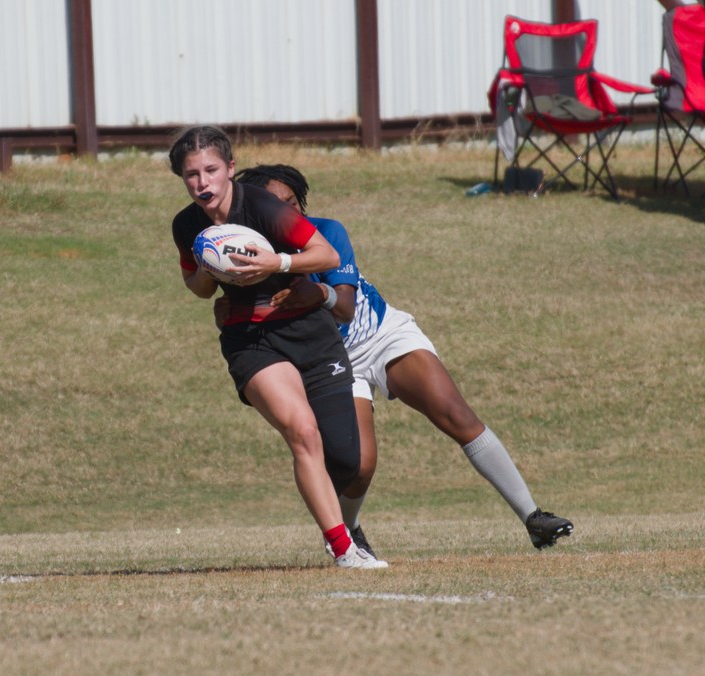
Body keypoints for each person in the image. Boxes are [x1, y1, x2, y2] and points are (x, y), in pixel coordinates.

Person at [230, 164, 574, 558]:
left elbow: (343, 307)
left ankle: (533, 518)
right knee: (359, 465)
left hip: (381, 332)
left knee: (456, 414)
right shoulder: (250, 256)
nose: (288, 212)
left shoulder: (326, 232)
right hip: (333, 358)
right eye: (276, 206)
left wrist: (317, 295)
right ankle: (350, 532)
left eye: (292, 202)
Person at [169, 126, 388, 569]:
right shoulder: (186, 224)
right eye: (191, 175)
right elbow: (195, 288)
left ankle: (338, 519)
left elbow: (324, 254)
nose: (202, 183)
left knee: (347, 459)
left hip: (310, 333)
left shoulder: (265, 207)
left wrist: (277, 262)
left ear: (230, 169)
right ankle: (344, 549)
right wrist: (212, 267)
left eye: (211, 170)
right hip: (251, 339)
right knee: (302, 432)